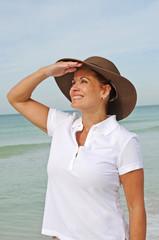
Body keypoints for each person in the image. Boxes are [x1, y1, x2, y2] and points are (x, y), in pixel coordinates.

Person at [7, 56, 146, 240]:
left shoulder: (124, 141)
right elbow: (16, 98)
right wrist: (46, 72)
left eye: (84, 81)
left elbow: (136, 208)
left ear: (105, 90)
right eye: (73, 82)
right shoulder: (62, 125)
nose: (74, 87)